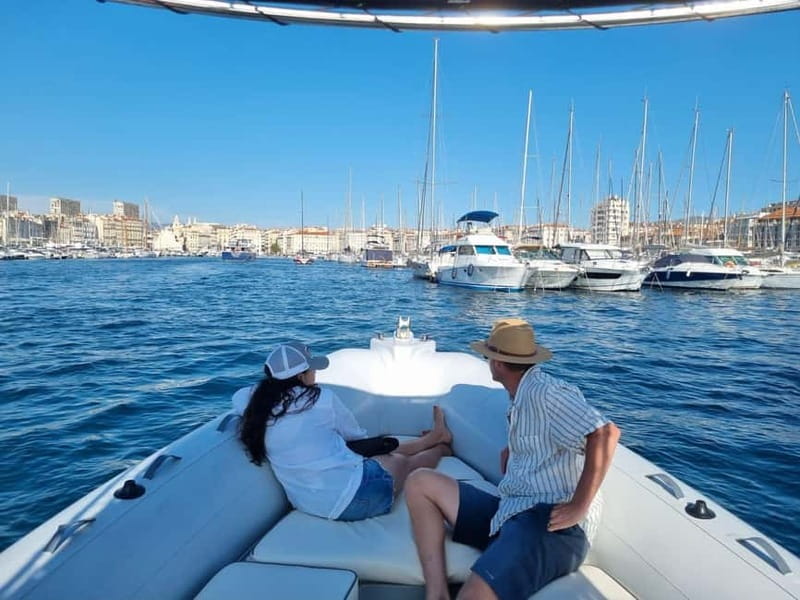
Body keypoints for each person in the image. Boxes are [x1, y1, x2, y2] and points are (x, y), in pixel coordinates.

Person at [405, 318, 620, 600]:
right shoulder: (520, 393)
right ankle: (437, 594)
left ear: (497, 363)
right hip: (512, 509)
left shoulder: (545, 393)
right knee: (420, 483)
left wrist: (579, 505)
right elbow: (545, 435)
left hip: (549, 524)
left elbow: (605, 434)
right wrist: (515, 450)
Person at [238, 340, 452, 522]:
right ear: (302, 376)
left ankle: (434, 439)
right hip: (360, 499)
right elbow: (357, 437)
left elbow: (238, 396)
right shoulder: (323, 399)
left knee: (379, 456)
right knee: (400, 461)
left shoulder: (253, 402)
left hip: (309, 505)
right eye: (311, 369)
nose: (315, 373)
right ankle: (441, 446)